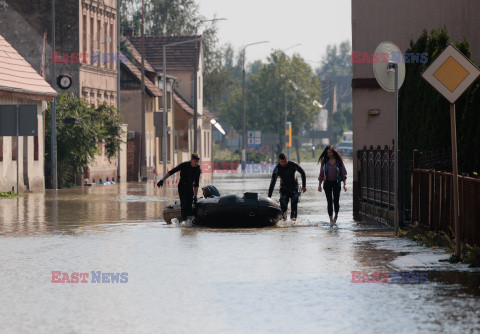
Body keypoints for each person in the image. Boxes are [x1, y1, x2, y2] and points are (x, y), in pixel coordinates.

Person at [157, 153, 201, 221]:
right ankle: (184, 221)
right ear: (191, 160)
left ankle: (190, 220)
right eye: (195, 161)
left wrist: (195, 196)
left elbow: (196, 184)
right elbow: (172, 172)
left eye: (197, 162)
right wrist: (162, 180)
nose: (196, 163)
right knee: (184, 204)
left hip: (190, 188)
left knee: (190, 205)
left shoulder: (198, 169)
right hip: (182, 186)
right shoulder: (184, 165)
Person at [268, 153, 306, 220]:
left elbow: (303, 172)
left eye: (285, 161)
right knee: (283, 210)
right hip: (284, 189)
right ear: (279, 160)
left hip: (294, 188)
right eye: (282, 162)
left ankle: (293, 225)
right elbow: (272, 183)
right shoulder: (277, 168)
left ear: (287, 159)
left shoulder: (293, 165)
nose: (284, 163)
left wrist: (304, 185)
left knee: (294, 209)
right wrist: (269, 197)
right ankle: (284, 224)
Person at [317, 146, 347, 226]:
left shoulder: (338, 161)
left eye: (330, 152)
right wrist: (319, 185)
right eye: (328, 153)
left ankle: (336, 216)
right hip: (327, 183)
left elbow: (343, 172)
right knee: (329, 201)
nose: (329, 154)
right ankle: (330, 219)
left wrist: (345, 184)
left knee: (336, 201)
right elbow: (321, 173)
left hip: (336, 183)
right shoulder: (325, 161)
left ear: (333, 152)